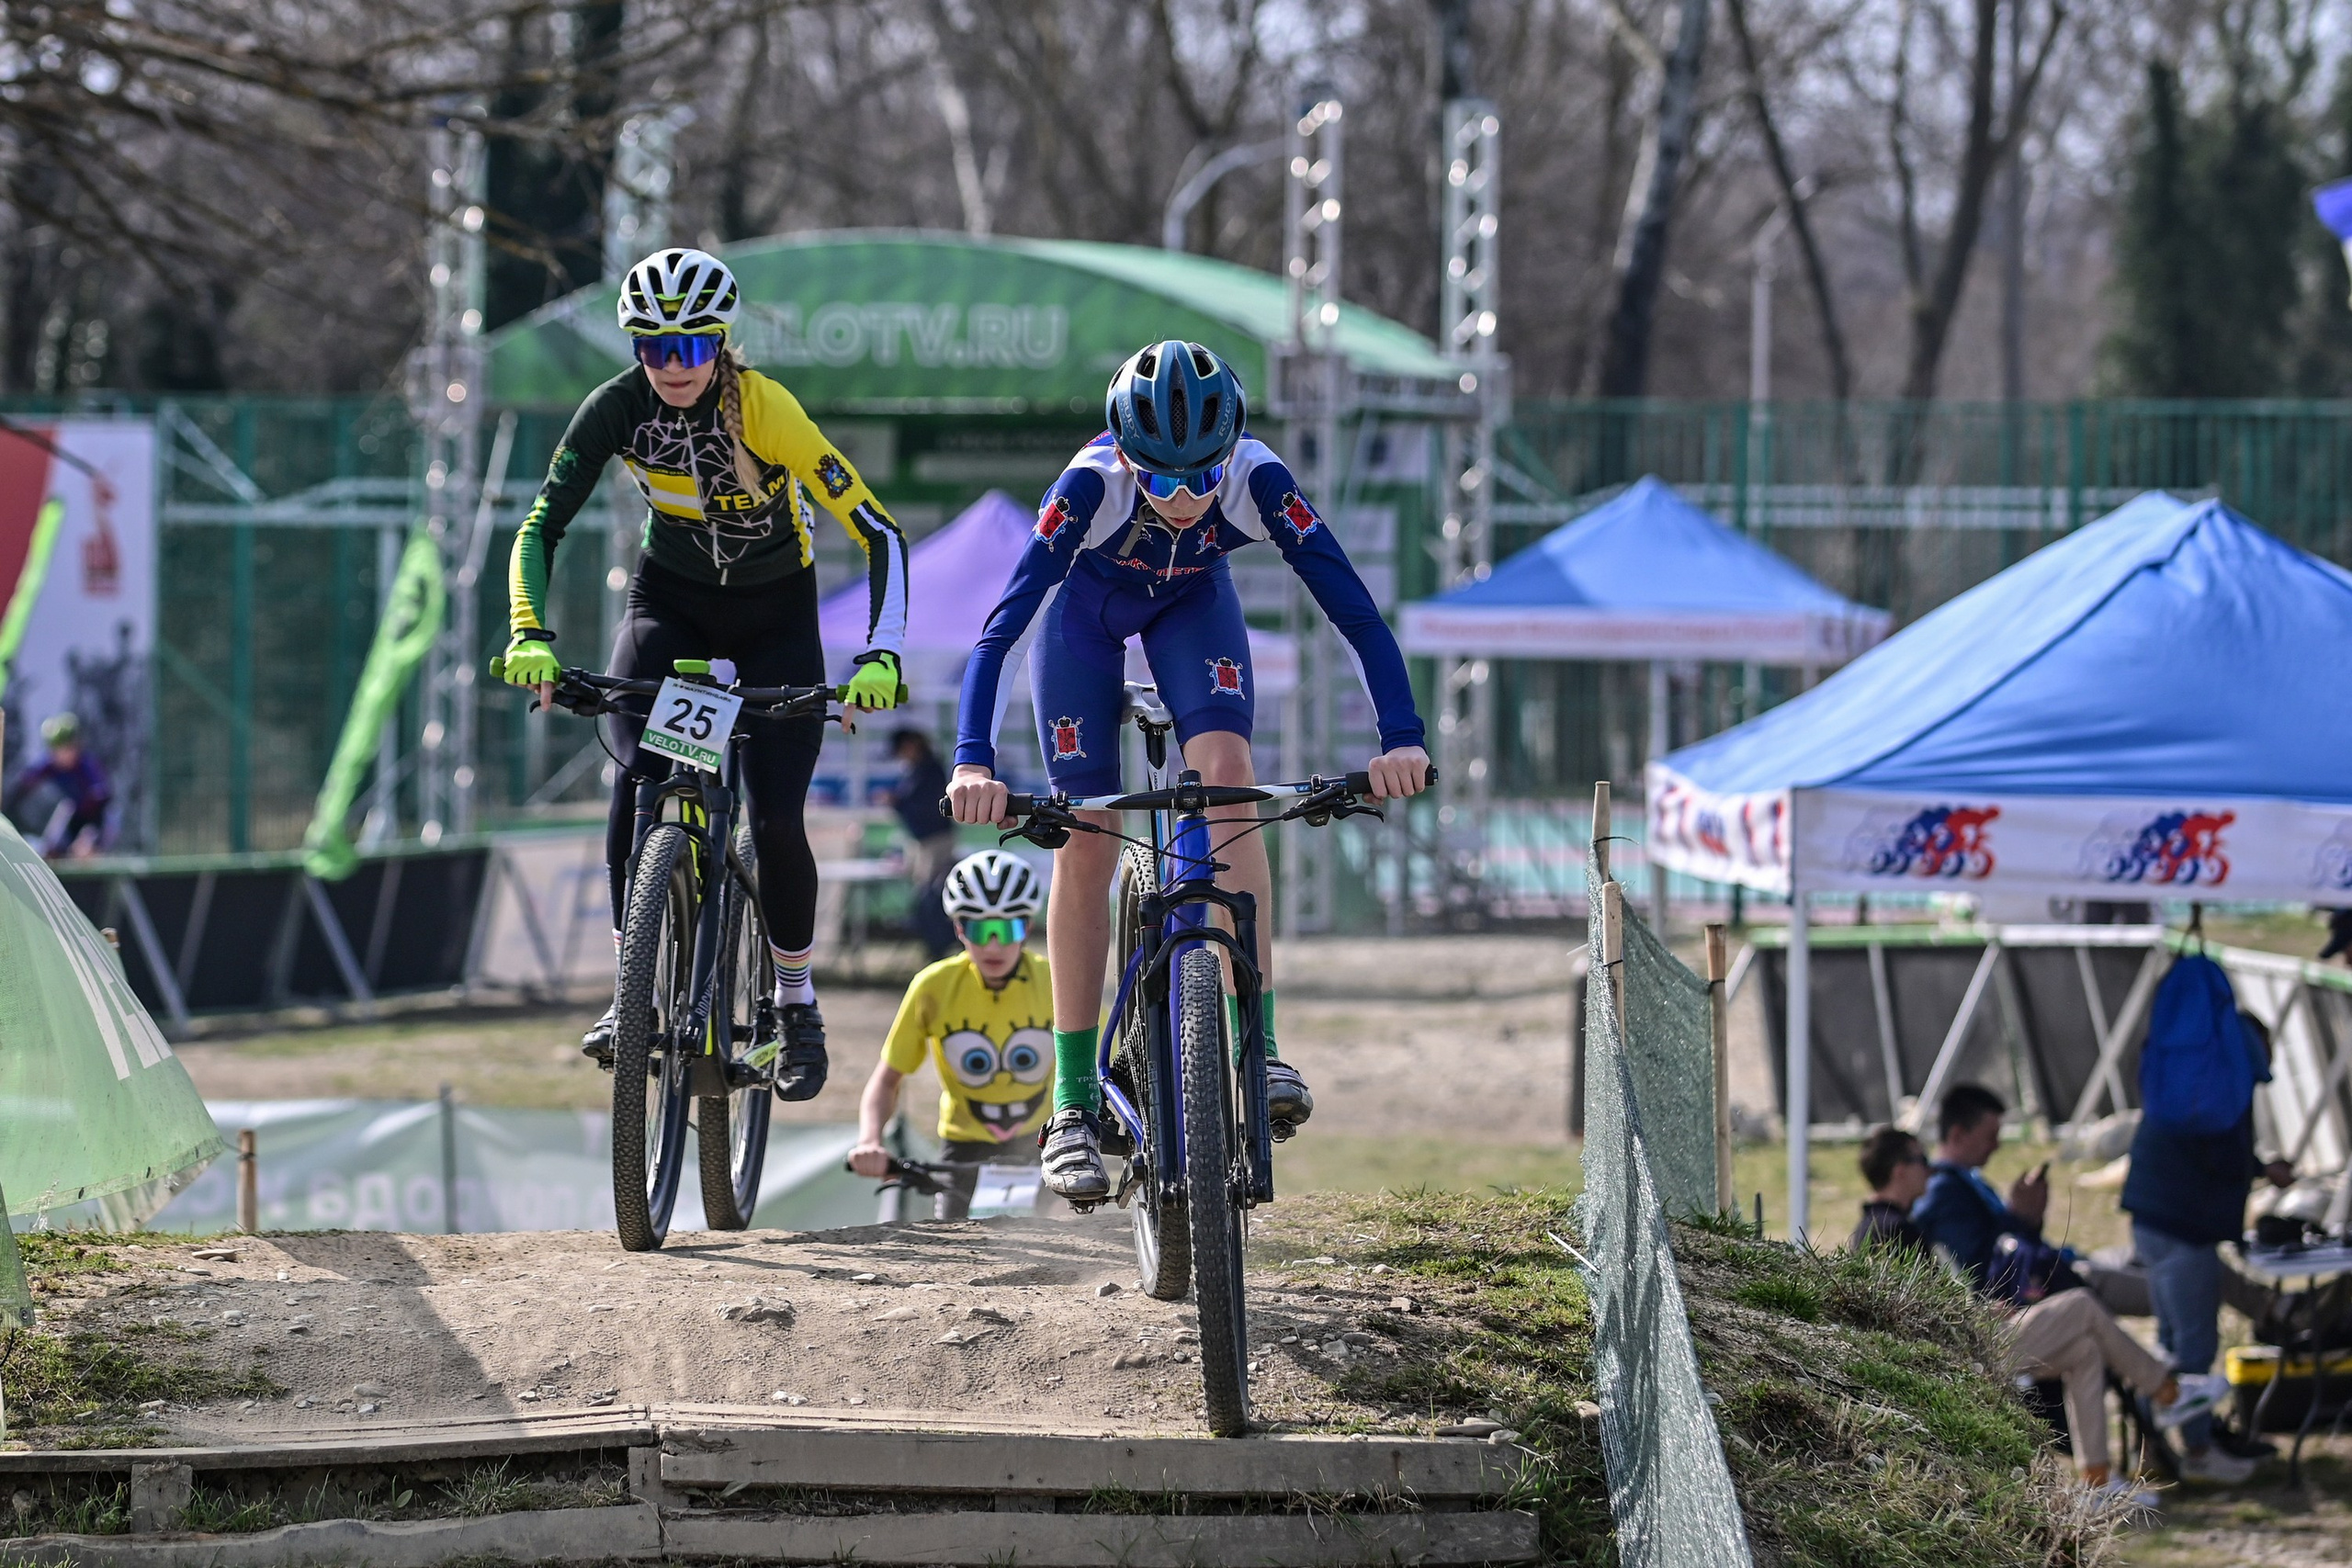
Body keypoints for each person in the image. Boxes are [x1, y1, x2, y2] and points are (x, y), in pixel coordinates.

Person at [945, 341, 1431, 1201]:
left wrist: (1402, 735)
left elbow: (1351, 606)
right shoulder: (1087, 486)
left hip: (1194, 610)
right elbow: (1003, 627)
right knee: (1087, 832)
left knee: (1229, 779)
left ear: (1231, 450)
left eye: (1201, 477)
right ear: (1125, 454)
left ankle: (1261, 1040)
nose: (1182, 498)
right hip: (1082, 623)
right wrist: (972, 759)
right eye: (1160, 481)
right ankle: (1071, 1100)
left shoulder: (1259, 477)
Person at [495, 247, 910, 1101]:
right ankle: (630, 989)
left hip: (775, 619)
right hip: (671, 606)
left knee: (774, 813)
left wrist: (882, 654)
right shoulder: (614, 408)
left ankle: (795, 1003)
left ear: (721, 343)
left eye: (690, 347)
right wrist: (530, 634)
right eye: (653, 347)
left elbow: (880, 532)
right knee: (637, 779)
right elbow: (540, 527)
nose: (672, 365)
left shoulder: (766, 409)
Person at [1917, 1083, 2252, 1486]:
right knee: (2083, 1303)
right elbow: (1986, 1270)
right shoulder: (1945, 1193)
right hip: (1988, 1334)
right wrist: (2020, 1218)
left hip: (2013, 1315)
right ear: (1957, 1134)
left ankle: (2097, 1480)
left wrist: (2025, 1220)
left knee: (2086, 1348)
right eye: (1991, 1136)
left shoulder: (1964, 1185)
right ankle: (2168, 1394)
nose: (1996, 1147)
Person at [2121, 1008, 2296, 1469]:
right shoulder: (2229, 1075)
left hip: (2150, 1213)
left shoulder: (2196, 1070)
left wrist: (2256, 1169)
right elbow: (2222, 1155)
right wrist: (2257, 1173)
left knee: (2170, 1337)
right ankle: (2196, 1450)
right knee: (2194, 1346)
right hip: (2183, 1225)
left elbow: (2206, 1148)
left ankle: (2152, 1446)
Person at [848, 851, 1053, 1218]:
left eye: (1007, 929)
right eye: (979, 928)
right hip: (962, 1144)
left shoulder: (1057, 982)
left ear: (1028, 926)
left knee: (1065, 1238)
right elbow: (887, 1079)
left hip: (1044, 1138)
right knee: (951, 1241)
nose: (993, 945)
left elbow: (1103, 1070)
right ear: (959, 928)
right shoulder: (932, 986)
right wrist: (869, 1141)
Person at [888, 728, 958, 961]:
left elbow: (926, 811)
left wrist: (898, 803)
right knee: (926, 896)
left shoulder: (929, 770)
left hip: (934, 841)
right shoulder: (920, 770)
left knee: (931, 897)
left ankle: (940, 946)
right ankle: (936, 946)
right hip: (926, 842)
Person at [2, 712, 110, 858]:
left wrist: (86, 835)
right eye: (58, 749)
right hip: (71, 813)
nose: (63, 755)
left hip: (95, 817)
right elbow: (24, 783)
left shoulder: (86, 766)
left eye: (68, 748)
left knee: (86, 846)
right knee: (53, 841)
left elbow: (101, 797)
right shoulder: (49, 765)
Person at [1849, 1125, 1930, 1252]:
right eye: (1923, 1160)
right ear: (1900, 1170)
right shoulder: (1897, 1231)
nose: (1929, 1170)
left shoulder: (1869, 1225)